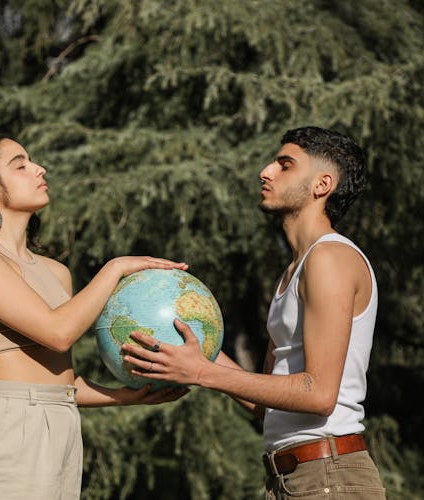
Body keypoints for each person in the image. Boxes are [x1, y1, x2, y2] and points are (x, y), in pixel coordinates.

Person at [0, 134, 189, 500]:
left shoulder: (56, 272)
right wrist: (116, 267)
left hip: (62, 429)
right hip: (4, 431)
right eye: (21, 164)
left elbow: (59, 383)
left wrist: (126, 396)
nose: (39, 169)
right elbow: (58, 332)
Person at [122, 126, 386, 498]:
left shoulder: (330, 258)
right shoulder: (295, 269)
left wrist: (201, 370)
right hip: (290, 479)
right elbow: (267, 405)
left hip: (329, 478)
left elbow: (319, 393)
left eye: (285, 165)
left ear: (322, 184)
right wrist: (195, 348)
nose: (266, 171)